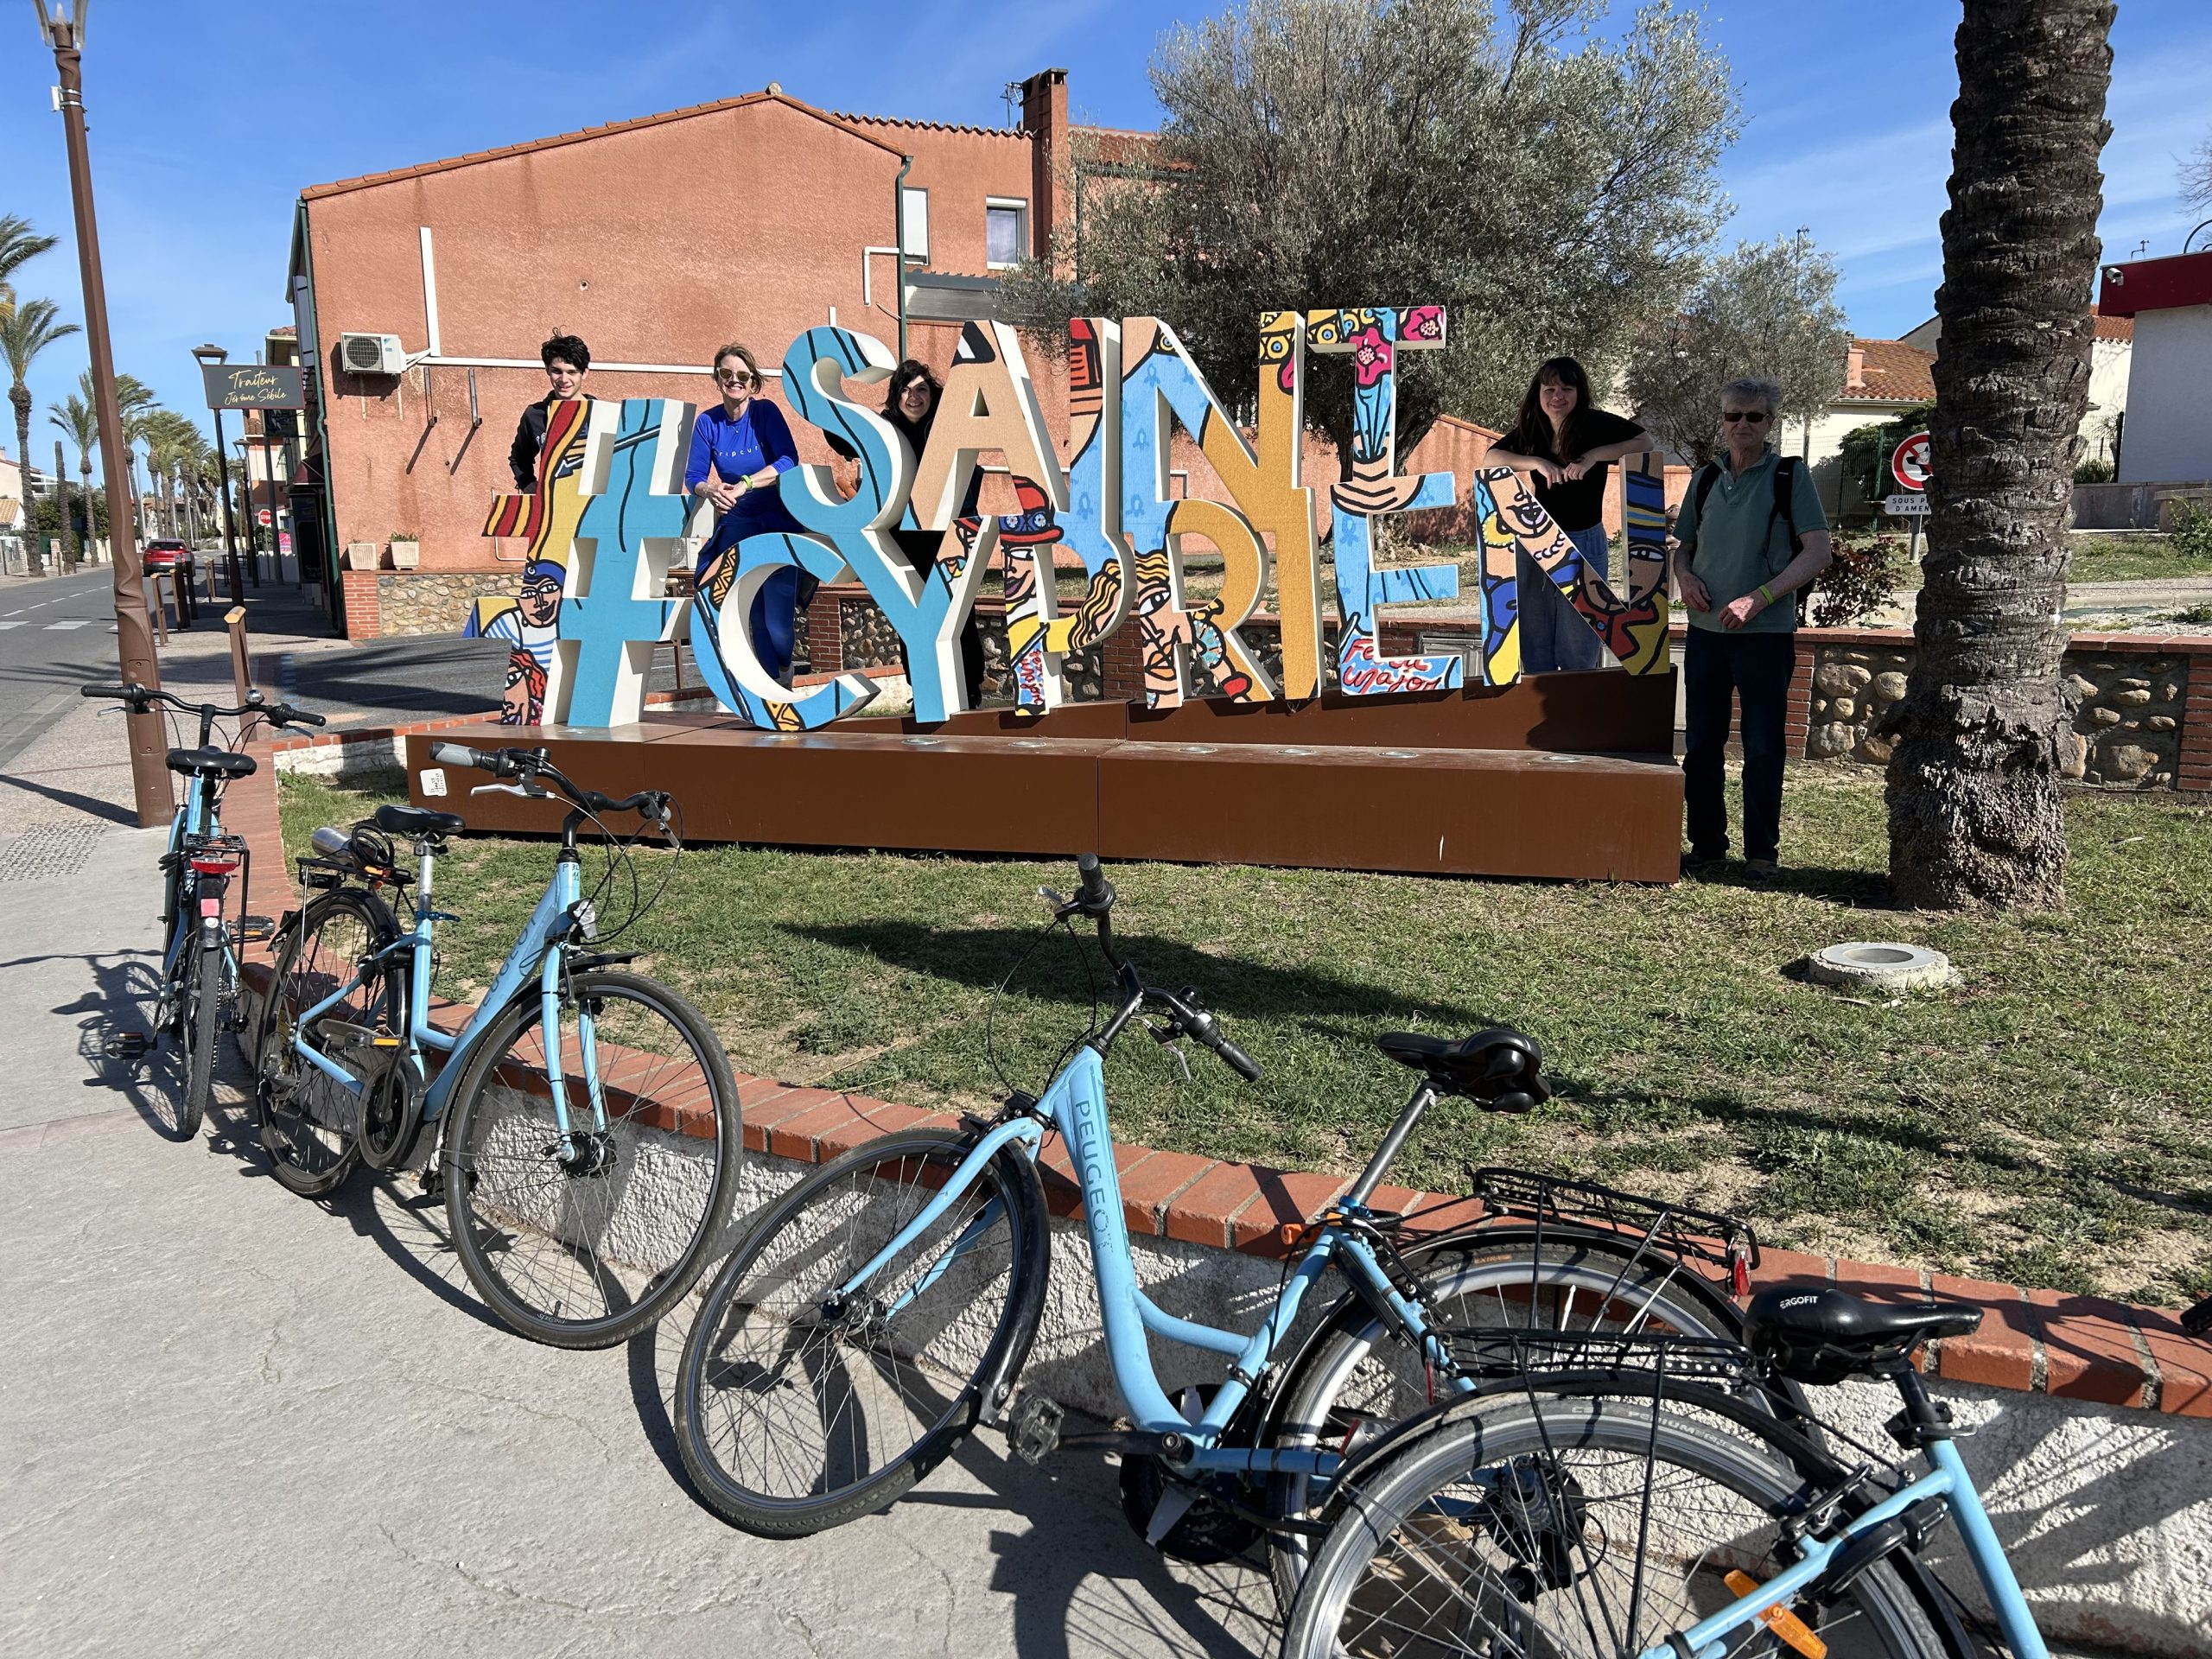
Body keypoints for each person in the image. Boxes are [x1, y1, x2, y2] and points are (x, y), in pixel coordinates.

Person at [1670, 376, 1834, 878]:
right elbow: (1684, 549)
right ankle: (1707, 846)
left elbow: (1818, 552)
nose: (1742, 424)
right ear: (1722, 422)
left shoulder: (1789, 476)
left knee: (1763, 746)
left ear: (1769, 422)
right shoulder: (1705, 478)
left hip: (1765, 635)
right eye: (1733, 415)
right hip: (1705, 634)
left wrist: (1759, 598)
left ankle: (1762, 854)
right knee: (1701, 745)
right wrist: (1685, 578)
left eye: (1754, 416)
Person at [1484, 357, 1652, 672]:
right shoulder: (1534, 428)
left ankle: (1576, 699)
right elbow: (1491, 458)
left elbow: (1645, 442)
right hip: (1536, 538)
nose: (1557, 396)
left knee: (1581, 633)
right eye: (1549, 389)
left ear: (1579, 393)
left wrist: (1594, 456)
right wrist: (1536, 462)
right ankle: (1540, 698)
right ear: (1538, 393)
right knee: (1534, 630)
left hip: (1585, 538)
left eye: (1566, 389)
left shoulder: (1595, 424)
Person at [685, 342, 812, 686]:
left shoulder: (765, 413)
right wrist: (710, 491)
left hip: (777, 523)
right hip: (738, 528)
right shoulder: (707, 423)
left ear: (753, 382)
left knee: (778, 624)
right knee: (753, 616)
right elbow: (694, 476)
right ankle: (771, 692)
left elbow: (787, 460)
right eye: (727, 373)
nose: (734, 380)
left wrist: (745, 484)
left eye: (742, 375)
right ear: (717, 378)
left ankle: (784, 669)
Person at [881, 359, 987, 707]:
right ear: (896, 395)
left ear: (933, 394)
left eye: (922, 389)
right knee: (911, 613)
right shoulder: (884, 428)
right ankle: (922, 689)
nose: (914, 397)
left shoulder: (947, 424)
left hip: (947, 534)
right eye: (906, 390)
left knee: (958, 611)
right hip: (903, 538)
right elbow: (844, 442)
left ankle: (969, 687)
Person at [510, 333, 594, 491]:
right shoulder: (535, 415)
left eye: (572, 372)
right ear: (547, 370)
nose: (564, 379)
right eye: (557, 371)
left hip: (597, 503)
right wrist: (532, 490)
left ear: (584, 373)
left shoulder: (603, 414)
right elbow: (519, 458)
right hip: (553, 502)